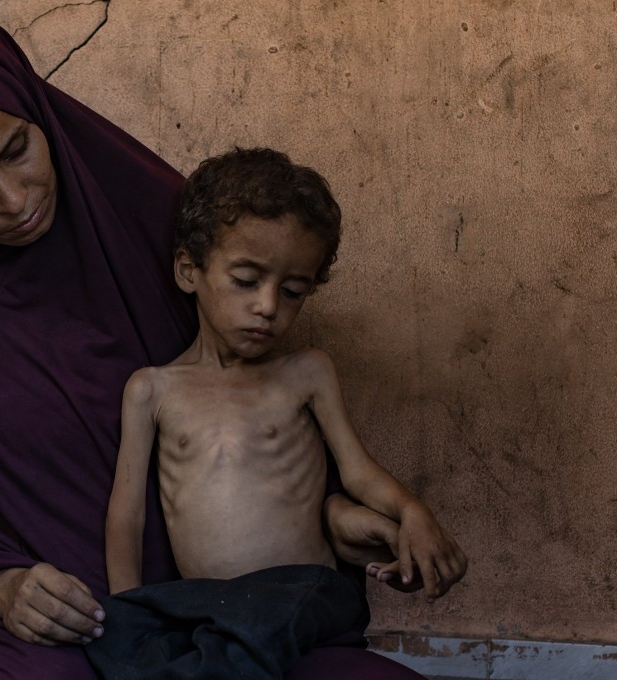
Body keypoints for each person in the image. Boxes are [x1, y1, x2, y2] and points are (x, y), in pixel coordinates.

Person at [0, 7, 464, 680]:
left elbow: (245, 414)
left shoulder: (155, 219)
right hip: (48, 635)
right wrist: (0, 586)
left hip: (237, 616)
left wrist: (330, 519)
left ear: (38, 109)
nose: (12, 200)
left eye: (17, 148)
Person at [87, 148, 466, 678]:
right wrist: (129, 613)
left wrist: (412, 513)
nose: (269, 306)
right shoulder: (151, 390)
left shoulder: (307, 372)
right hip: (213, 607)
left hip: (301, 592)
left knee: (254, 626)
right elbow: (127, 514)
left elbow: (356, 471)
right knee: (141, 652)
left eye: (293, 291)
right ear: (189, 270)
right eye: (247, 280)